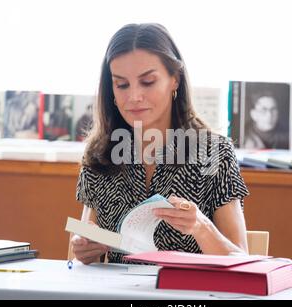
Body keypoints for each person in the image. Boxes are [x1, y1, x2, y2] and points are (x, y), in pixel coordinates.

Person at [71, 23, 249, 264]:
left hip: (187, 297)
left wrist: (201, 226)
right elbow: (79, 245)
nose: (134, 96)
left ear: (174, 79)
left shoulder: (213, 152)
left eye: (147, 82)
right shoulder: (100, 154)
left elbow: (241, 259)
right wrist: (84, 250)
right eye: (122, 84)